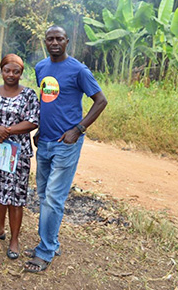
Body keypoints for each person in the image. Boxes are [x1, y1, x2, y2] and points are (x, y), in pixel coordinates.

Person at [24, 26, 108, 273]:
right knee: (43, 195)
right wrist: (39, 129)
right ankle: (50, 242)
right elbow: (47, 101)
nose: (54, 42)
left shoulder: (79, 70)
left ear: (67, 41)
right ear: (45, 41)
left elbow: (101, 100)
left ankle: (45, 251)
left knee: (53, 198)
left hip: (66, 144)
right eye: (50, 38)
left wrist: (79, 129)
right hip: (45, 141)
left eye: (59, 38)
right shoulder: (41, 68)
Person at [0, 54, 40, 260]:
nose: (11, 75)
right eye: (7, 70)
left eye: (16, 71)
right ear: (1, 70)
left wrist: (7, 131)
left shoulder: (29, 95)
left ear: (21, 73)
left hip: (17, 153)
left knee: (15, 197)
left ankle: (14, 239)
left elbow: (32, 121)